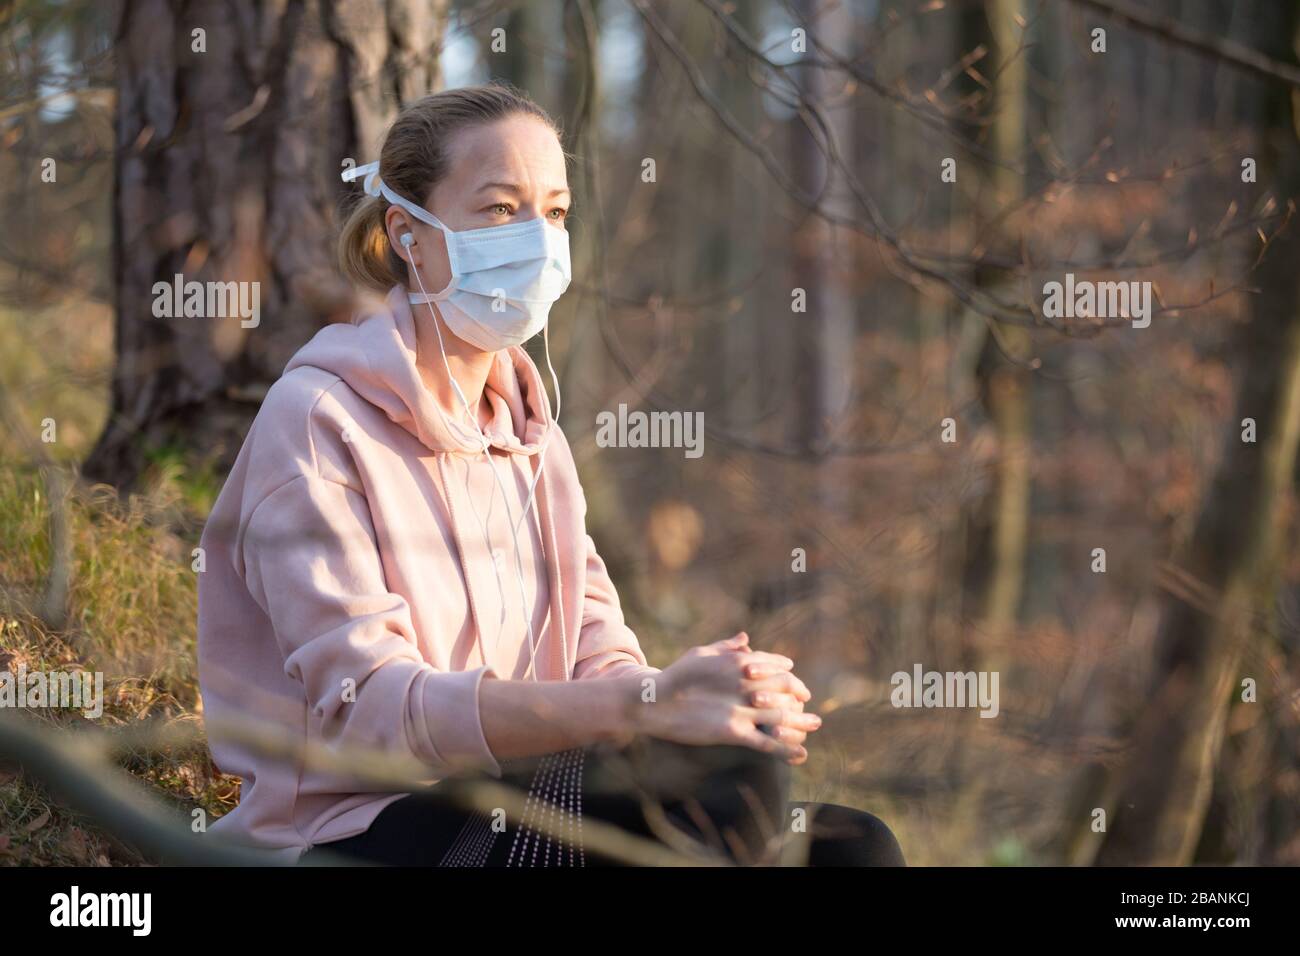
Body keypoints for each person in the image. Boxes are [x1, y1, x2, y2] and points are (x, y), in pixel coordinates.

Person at [196, 82, 903, 867]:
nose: (536, 238)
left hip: (523, 796)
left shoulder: (532, 439)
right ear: (409, 234)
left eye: (556, 212)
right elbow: (373, 714)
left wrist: (707, 696)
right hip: (364, 834)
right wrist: (643, 706)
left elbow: (600, 654)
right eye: (500, 209)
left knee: (852, 848)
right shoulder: (317, 420)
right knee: (731, 787)